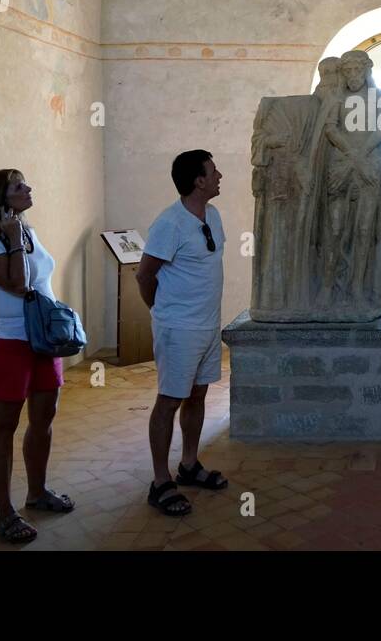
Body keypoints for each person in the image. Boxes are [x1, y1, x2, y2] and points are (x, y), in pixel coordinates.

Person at [0, 169, 75, 544]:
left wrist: (19, 234)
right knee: (4, 426)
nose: (28, 188)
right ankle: (4, 514)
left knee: (44, 417)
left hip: (42, 340)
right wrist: (12, 237)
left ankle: (37, 492)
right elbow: (18, 284)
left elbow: (41, 277)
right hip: (8, 342)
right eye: (18, 186)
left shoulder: (28, 231)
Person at [137, 150, 230, 517]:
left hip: (207, 326)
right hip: (179, 328)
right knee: (169, 400)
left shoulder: (214, 214)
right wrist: (161, 312)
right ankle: (160, 482)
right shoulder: (169, 223)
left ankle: (189, 464)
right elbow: (144, 275)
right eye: (213, 171)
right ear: (198, 181)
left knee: (197, 395)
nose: (220, 175)